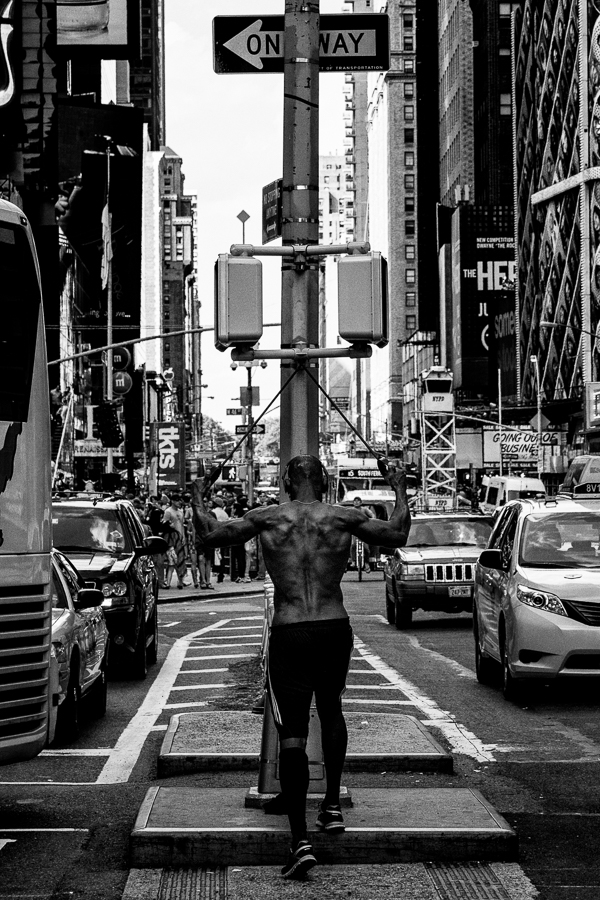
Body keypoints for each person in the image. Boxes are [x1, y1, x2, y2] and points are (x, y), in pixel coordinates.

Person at [192, 455, 410, 880]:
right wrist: (398, 486)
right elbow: (398, 533)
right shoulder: (345, 517)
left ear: (288, 482)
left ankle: (299, 839)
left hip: (291, 631)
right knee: (331, 710)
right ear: (325, 482)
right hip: (333, 626)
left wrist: (201, 493)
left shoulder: (269, 519)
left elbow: (210, 535)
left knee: (292, 732)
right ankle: (330, 805)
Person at [351, 496, 375, 572]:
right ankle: (353, 561)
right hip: (354, 531)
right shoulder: (350, 510)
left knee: (366, 549)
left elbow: (372, 515)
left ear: (361, 502)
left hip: (364, 531)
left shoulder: (364, 509)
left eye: (358, 501)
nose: (356, 502)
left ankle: (367, 563)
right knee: (353, 545)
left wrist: (372, 521)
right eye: (355, 501)